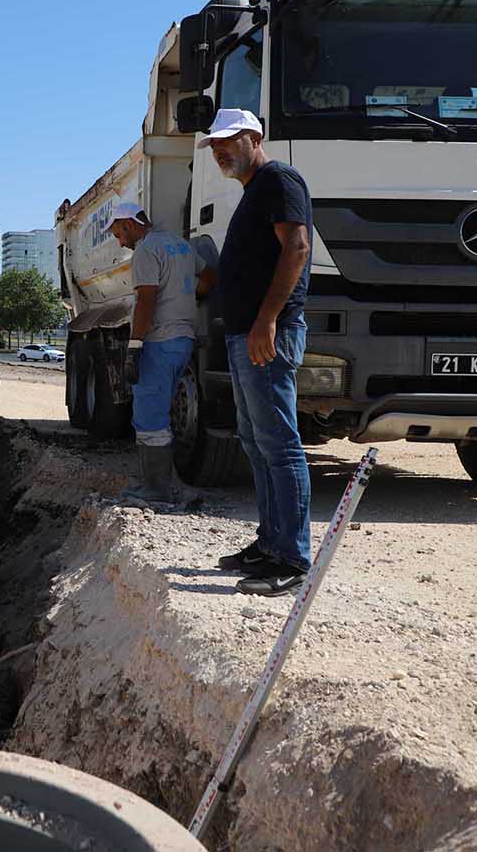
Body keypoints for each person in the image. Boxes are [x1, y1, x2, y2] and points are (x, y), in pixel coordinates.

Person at [201, 108, 313, 597]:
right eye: (215, 145)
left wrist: (267, 319)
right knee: (255, 441)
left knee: (280, 445)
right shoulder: (254, 190)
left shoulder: (279, 180)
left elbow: (297, 248)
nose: (220, 150)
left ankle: (292, 556)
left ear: (254, 137)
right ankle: (269, 544)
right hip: (245, 333)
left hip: (268, 333)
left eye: (229, 140)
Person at [107, 201, 215, 502]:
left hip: (159, 341)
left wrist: (135, 346)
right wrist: (186, 299)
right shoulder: (178, 245)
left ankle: (157, 489)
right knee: (162, 411)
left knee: (149, 416)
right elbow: (208, 278)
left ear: (129, 224)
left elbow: (146, 300)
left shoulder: (145, 250)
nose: (119, 241)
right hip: (182, 340)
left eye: (118, 233)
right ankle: (165, 484)